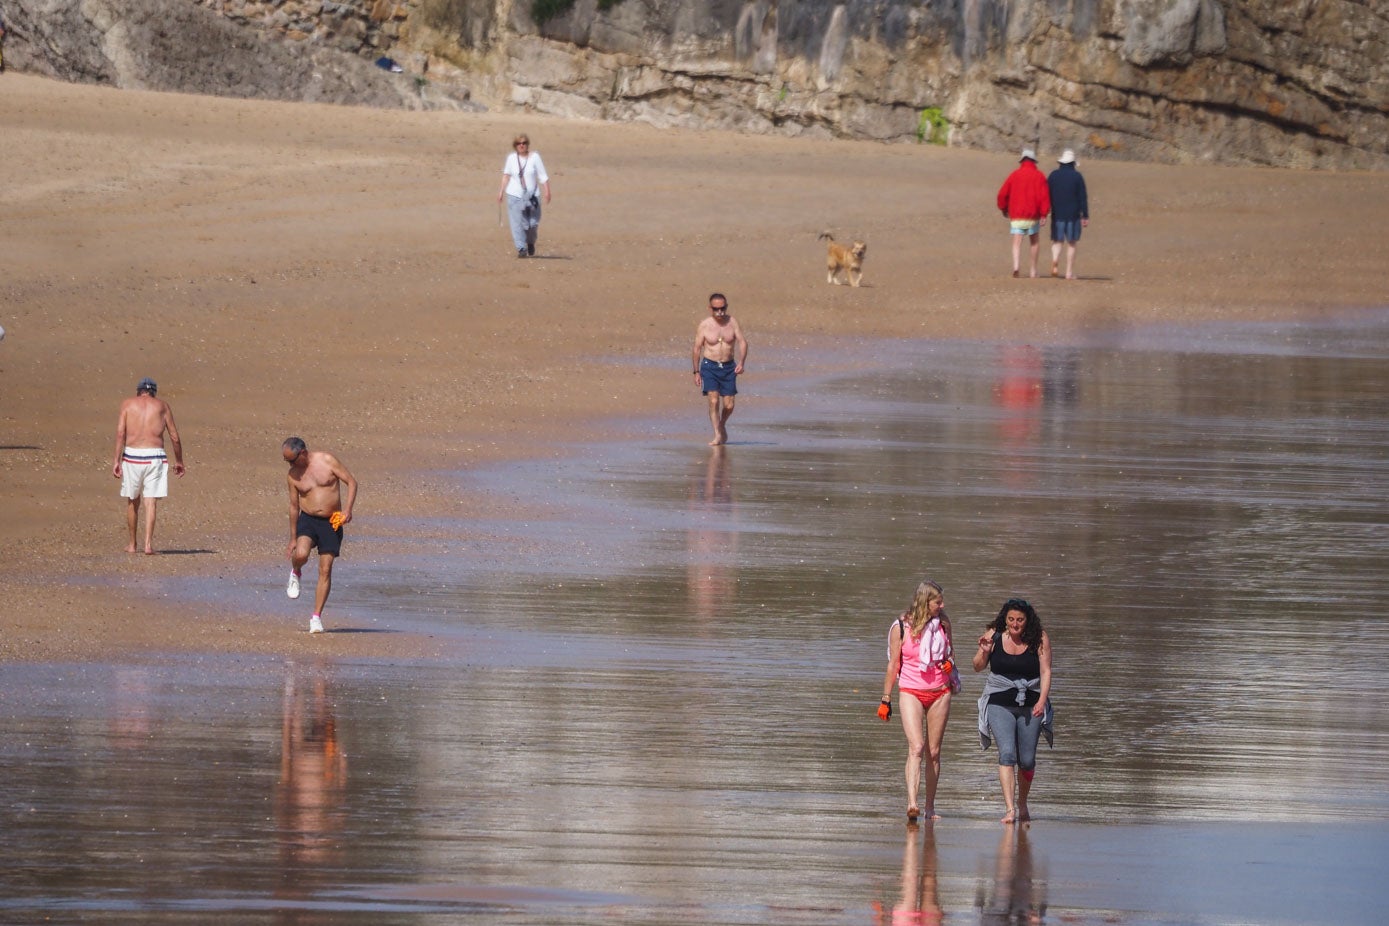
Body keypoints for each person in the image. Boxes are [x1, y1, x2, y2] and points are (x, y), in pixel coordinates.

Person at [878, 579, 958, 822]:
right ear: (925, 601)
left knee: (934, 752)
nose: (942, 605)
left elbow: (951, 652)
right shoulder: (900, 626)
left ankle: (930, 808)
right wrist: (886, 698)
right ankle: (912, 802)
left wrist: (950, 664)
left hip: (939, 690)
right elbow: (893, 664)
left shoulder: (943, 623)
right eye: (938, 601)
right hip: (911, 690)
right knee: (916, 747)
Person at [973, 597, 1053, 824]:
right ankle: (1009, 809)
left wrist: (1042, 700)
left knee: (1027, 760)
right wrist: (984, 651)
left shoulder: (1039, 638)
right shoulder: (993, 634)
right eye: (1011, 619)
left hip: (1031, 703)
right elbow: (977, 667)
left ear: (1027, 621)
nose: (1015, 624)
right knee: (1007, 754)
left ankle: (1022, 802)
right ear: (1004, 619)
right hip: (999, 702)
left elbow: (1046, 672)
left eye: (1020, 620)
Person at [283, 437, 358, 634]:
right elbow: (293, 506)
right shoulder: (293, 476)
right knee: (301, 554)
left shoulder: (327, 460)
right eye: (287, 462)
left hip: (331, 521)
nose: (290, 465)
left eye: (292, 460)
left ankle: (316, 617)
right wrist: (292, 538)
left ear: (303, 453)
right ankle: (296, 571)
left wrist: (348, 510)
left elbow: (351, 482)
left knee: (325, 569)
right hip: (307, 519)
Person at [112, 377, 185, 554]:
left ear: (138, 392)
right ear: (154, 392)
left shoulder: (128, 404)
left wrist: (116, 460)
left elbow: (121, 433)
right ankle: (148, 545)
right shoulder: (162, 406)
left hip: (132, 456)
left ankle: (132, 544)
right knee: (150, 501)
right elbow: (174, 436)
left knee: (132, 500)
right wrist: (179, 461)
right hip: (155, 456)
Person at [691, 292, 748, 446]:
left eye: (722, 308)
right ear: (710, 308)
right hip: (710, 367)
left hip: (729, 367)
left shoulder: (732, 322)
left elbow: (742, 342)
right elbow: (697, 349)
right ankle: (717, 434)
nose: (720, 312)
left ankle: (721, 425)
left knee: (729, 405)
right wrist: (696, 372)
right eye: (716, 309)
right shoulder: (704, 325)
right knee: (714, 400)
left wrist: (741, 362)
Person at [996, 148, 1051, 278]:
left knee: (1016, 242)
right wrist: (1044, 214)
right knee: (1034, 242)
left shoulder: (1014, 175)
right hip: (1033, 215)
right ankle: (1033, 270)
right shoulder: (1039, 176)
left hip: (1016, 215)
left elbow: (1002, 194)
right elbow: (1044, 197)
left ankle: (1016, 266)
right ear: (1033, 161)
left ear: (1022, 161)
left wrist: (1003, 208)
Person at [496, 133, 551, 259]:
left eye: (524, 143)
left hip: (533, 197)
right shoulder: (511, 158)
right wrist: (501, 192)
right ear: (515, 146)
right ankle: (521, 247)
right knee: (517, 223)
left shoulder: (535, 157)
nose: (522, 145)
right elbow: (506, 176)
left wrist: (547, 191)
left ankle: (530, 242)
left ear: (528, 144)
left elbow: (543, 176)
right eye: (519, 143)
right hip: (514, 195)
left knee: (532, 224)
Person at [1047, 149, 1090, 280]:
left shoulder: (1053, 175)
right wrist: (1085, 215)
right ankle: (1068, 272)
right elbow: (1083, 197)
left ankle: (1055, 260)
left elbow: (1047, 194)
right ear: (1073, 164)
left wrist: (1046, 210)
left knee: (1057, 240)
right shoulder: (1077, 177)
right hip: (1073, 214)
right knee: (1071, 242)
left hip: (1057, 213)